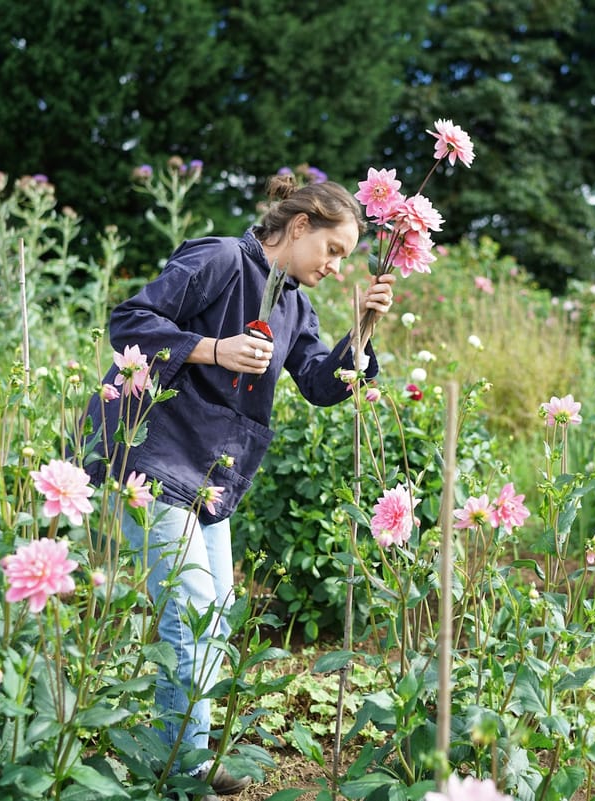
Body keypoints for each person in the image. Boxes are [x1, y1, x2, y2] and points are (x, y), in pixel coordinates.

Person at [84, 173, 394, 796]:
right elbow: (129, 322)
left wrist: (359, 330)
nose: (336, 266)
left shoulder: (293, 304)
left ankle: (180, 751)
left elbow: (320, 383)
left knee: (214, 615)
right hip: (152, 453)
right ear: (300, 226)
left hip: (212, 473)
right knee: (191, 608)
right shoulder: (221, 259)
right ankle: (182, 767)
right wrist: (211, 349)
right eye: (333, 250)